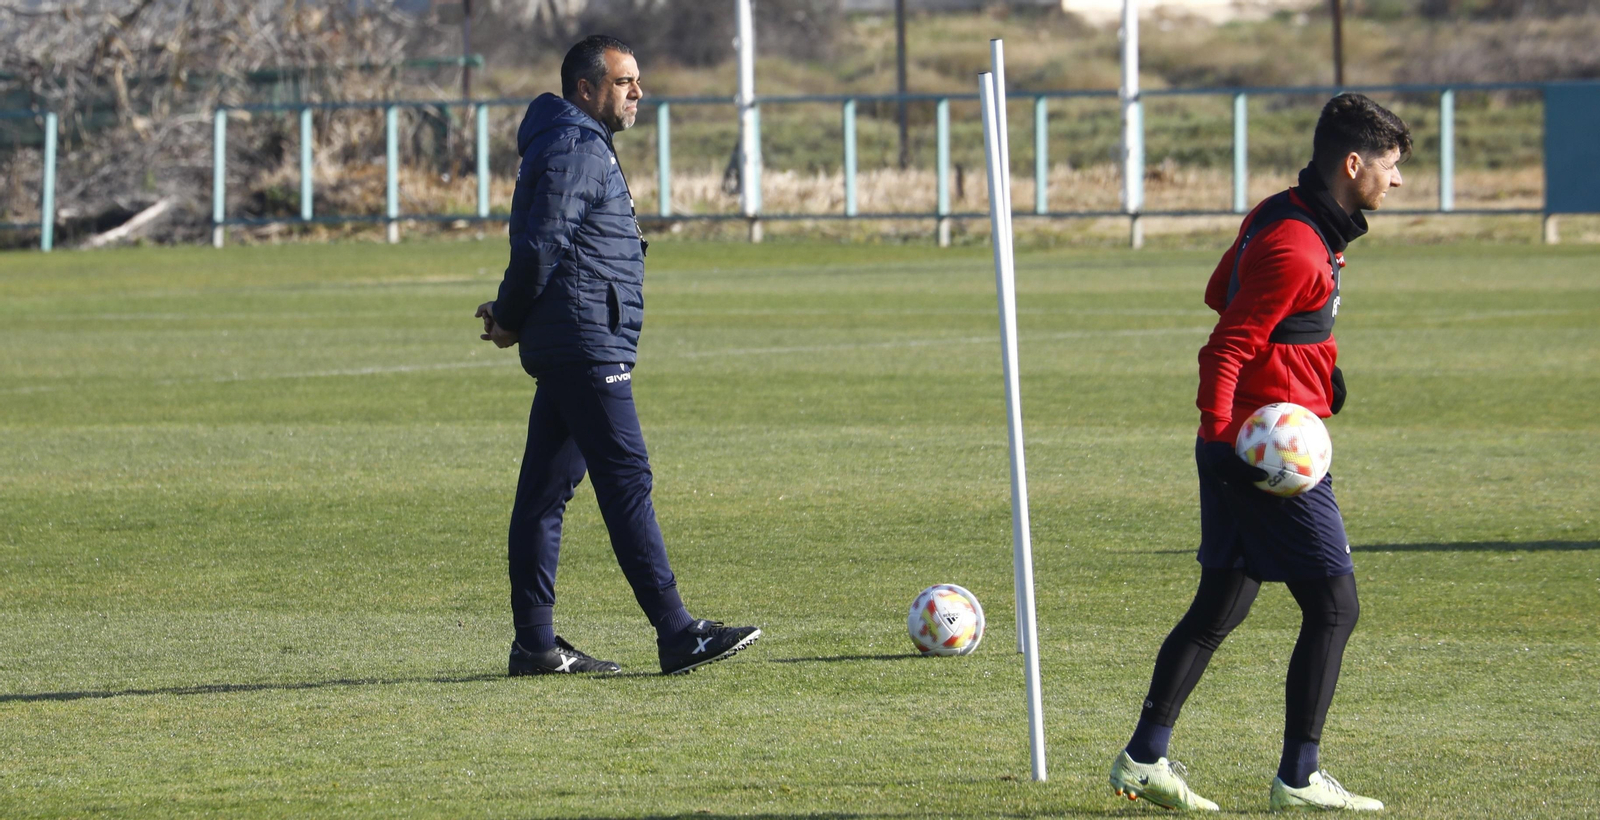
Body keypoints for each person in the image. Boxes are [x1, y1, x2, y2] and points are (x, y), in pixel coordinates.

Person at [1108, 93, 1409, 812]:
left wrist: (1312, 360)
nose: (1396, 182)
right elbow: (1227, 345)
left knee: (1221, 605)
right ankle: (1299, 776)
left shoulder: (1284, 213)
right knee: (1335, 606)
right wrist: (1220, 439)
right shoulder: (1295, 243)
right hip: (1263, 455)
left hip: (1256, 437)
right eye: (1392, 167)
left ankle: (1144, 759)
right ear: (1354, 163)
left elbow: (1223, 290)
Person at [475, 35, 759, 676]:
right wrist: (512, 316)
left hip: (578, 338)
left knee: (543, 496)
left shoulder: (575, 142)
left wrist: (514, 314)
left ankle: (535, 647)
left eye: (638, 80)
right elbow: (542, 245)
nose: (638, 92)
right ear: (586, 88)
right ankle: (677, 632)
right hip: (585, 342)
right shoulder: (575, 145)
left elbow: (547, 245)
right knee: (626, 482)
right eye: (625, 81)